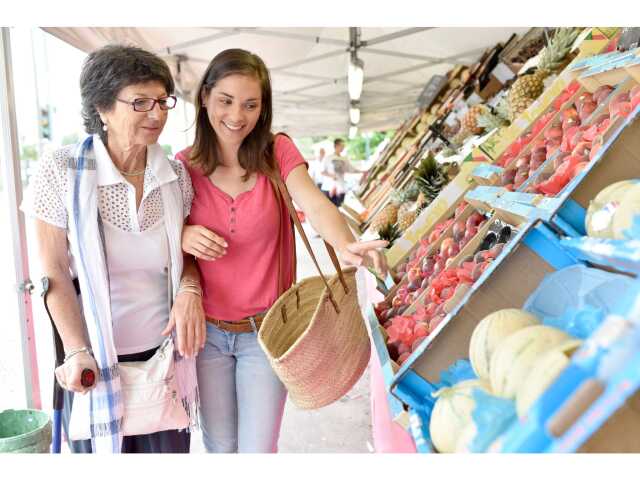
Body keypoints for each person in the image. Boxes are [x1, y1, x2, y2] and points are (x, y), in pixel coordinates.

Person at [176, 48, 388, 453]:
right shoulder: (182, 167)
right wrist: (184, 235)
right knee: (220, 449)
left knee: (258, 452)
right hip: (207, 337)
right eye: (225, 101)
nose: (237, 116)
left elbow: (315, 202)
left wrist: (346, 244)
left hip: (267, 333)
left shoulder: (277, 153)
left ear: (263, 108)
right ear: (204, 98)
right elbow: (163, 242)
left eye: (250, 104)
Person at [22, 45, 203, 453]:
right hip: (92, 365)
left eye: (162, 101)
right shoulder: (61, 170)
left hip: (164, 363)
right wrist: (76, 349)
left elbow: (187, 256)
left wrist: (190, 289)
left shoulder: (174, 174)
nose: (156, 114)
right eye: (139, 102)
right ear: (102, 108)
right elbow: (51, 272)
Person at [321, 138, 360, 207]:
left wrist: (363, 171)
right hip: (328, 188)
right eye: (341, 145)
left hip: (341, 187)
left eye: (343, 145)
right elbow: (322, 172)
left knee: (339, 208)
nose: (343, 147)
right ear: (336, 146)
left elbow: (351, 169)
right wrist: (331, 176)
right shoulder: (328, 158)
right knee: (329, 208)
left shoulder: (344, 159)